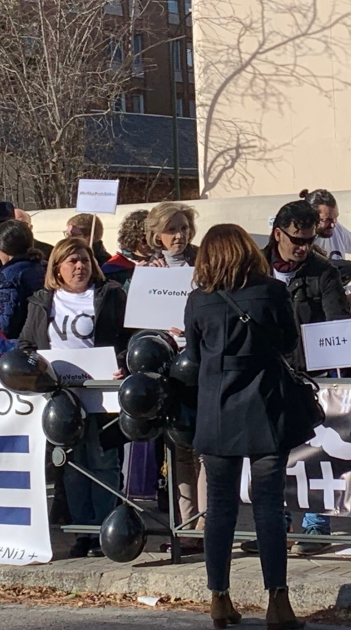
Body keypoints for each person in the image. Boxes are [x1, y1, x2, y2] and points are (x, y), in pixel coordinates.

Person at [184, 224, 307, 629]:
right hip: (265, 406)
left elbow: (194, 357)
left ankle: (219, 597)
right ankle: (278, 602)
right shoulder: (271, 291)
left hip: (217, 408)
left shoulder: (198, 302)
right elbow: (289, 342)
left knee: (219, 508)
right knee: (270, 506)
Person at [19, 238, 128, 558]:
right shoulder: (41, 301)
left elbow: (129, 337)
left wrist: (122, 363)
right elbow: (26, 345)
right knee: (72, 465)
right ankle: (83, 531)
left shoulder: (109, 295)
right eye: (71, 261)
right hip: (62, 399)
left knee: (105, 462)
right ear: (57, 268)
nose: (79, 266)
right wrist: (36, 364)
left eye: (83, 260)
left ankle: (106, 530)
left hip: (102, 395)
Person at [263, 199, 351, 556]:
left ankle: (316, 527)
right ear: (278, 234)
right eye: (296, 240)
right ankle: (275, 526)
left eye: (309, 240)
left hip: (309, 375)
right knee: (271, 456)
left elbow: (338, 321)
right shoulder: (254, 266)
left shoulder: (322, 271)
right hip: (266, 373)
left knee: (315, 451)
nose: (303, 248)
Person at [144, 202, 204, 555]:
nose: (179, 236)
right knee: (180, 448)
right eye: (171, 230)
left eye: (183, 228)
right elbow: (138, 322)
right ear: (157, 235)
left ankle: (208, 524)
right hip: (168, 366)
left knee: (205, 450)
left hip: (200, 361)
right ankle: (185, 526)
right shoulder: (147, 269)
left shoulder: (203, 262)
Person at [0, 221, 47, 349]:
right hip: (43, 338)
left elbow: (6, 324)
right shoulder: (43, 266)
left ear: (3, 247)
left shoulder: (9, 275)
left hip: (17, 345)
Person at [99, 210, 154, 289]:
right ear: (132, 238)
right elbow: (109, 296)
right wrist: (135, 278)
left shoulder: (164, 259)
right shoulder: (112, 268)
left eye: (154, 240)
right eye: (145, 241)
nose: (151, 245)